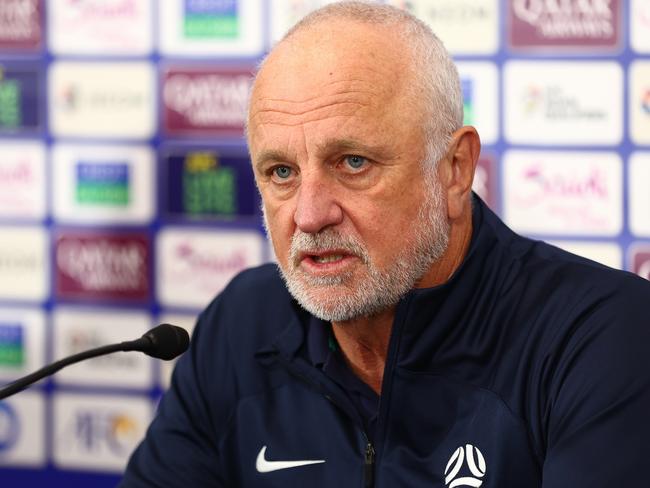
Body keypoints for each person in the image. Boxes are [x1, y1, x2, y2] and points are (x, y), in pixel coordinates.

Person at [120, 2, 650, 487]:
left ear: (454, 169)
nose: (309, 214)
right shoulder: (241, 324)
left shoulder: (600, 337)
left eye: (353, 163)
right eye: (281, 171)